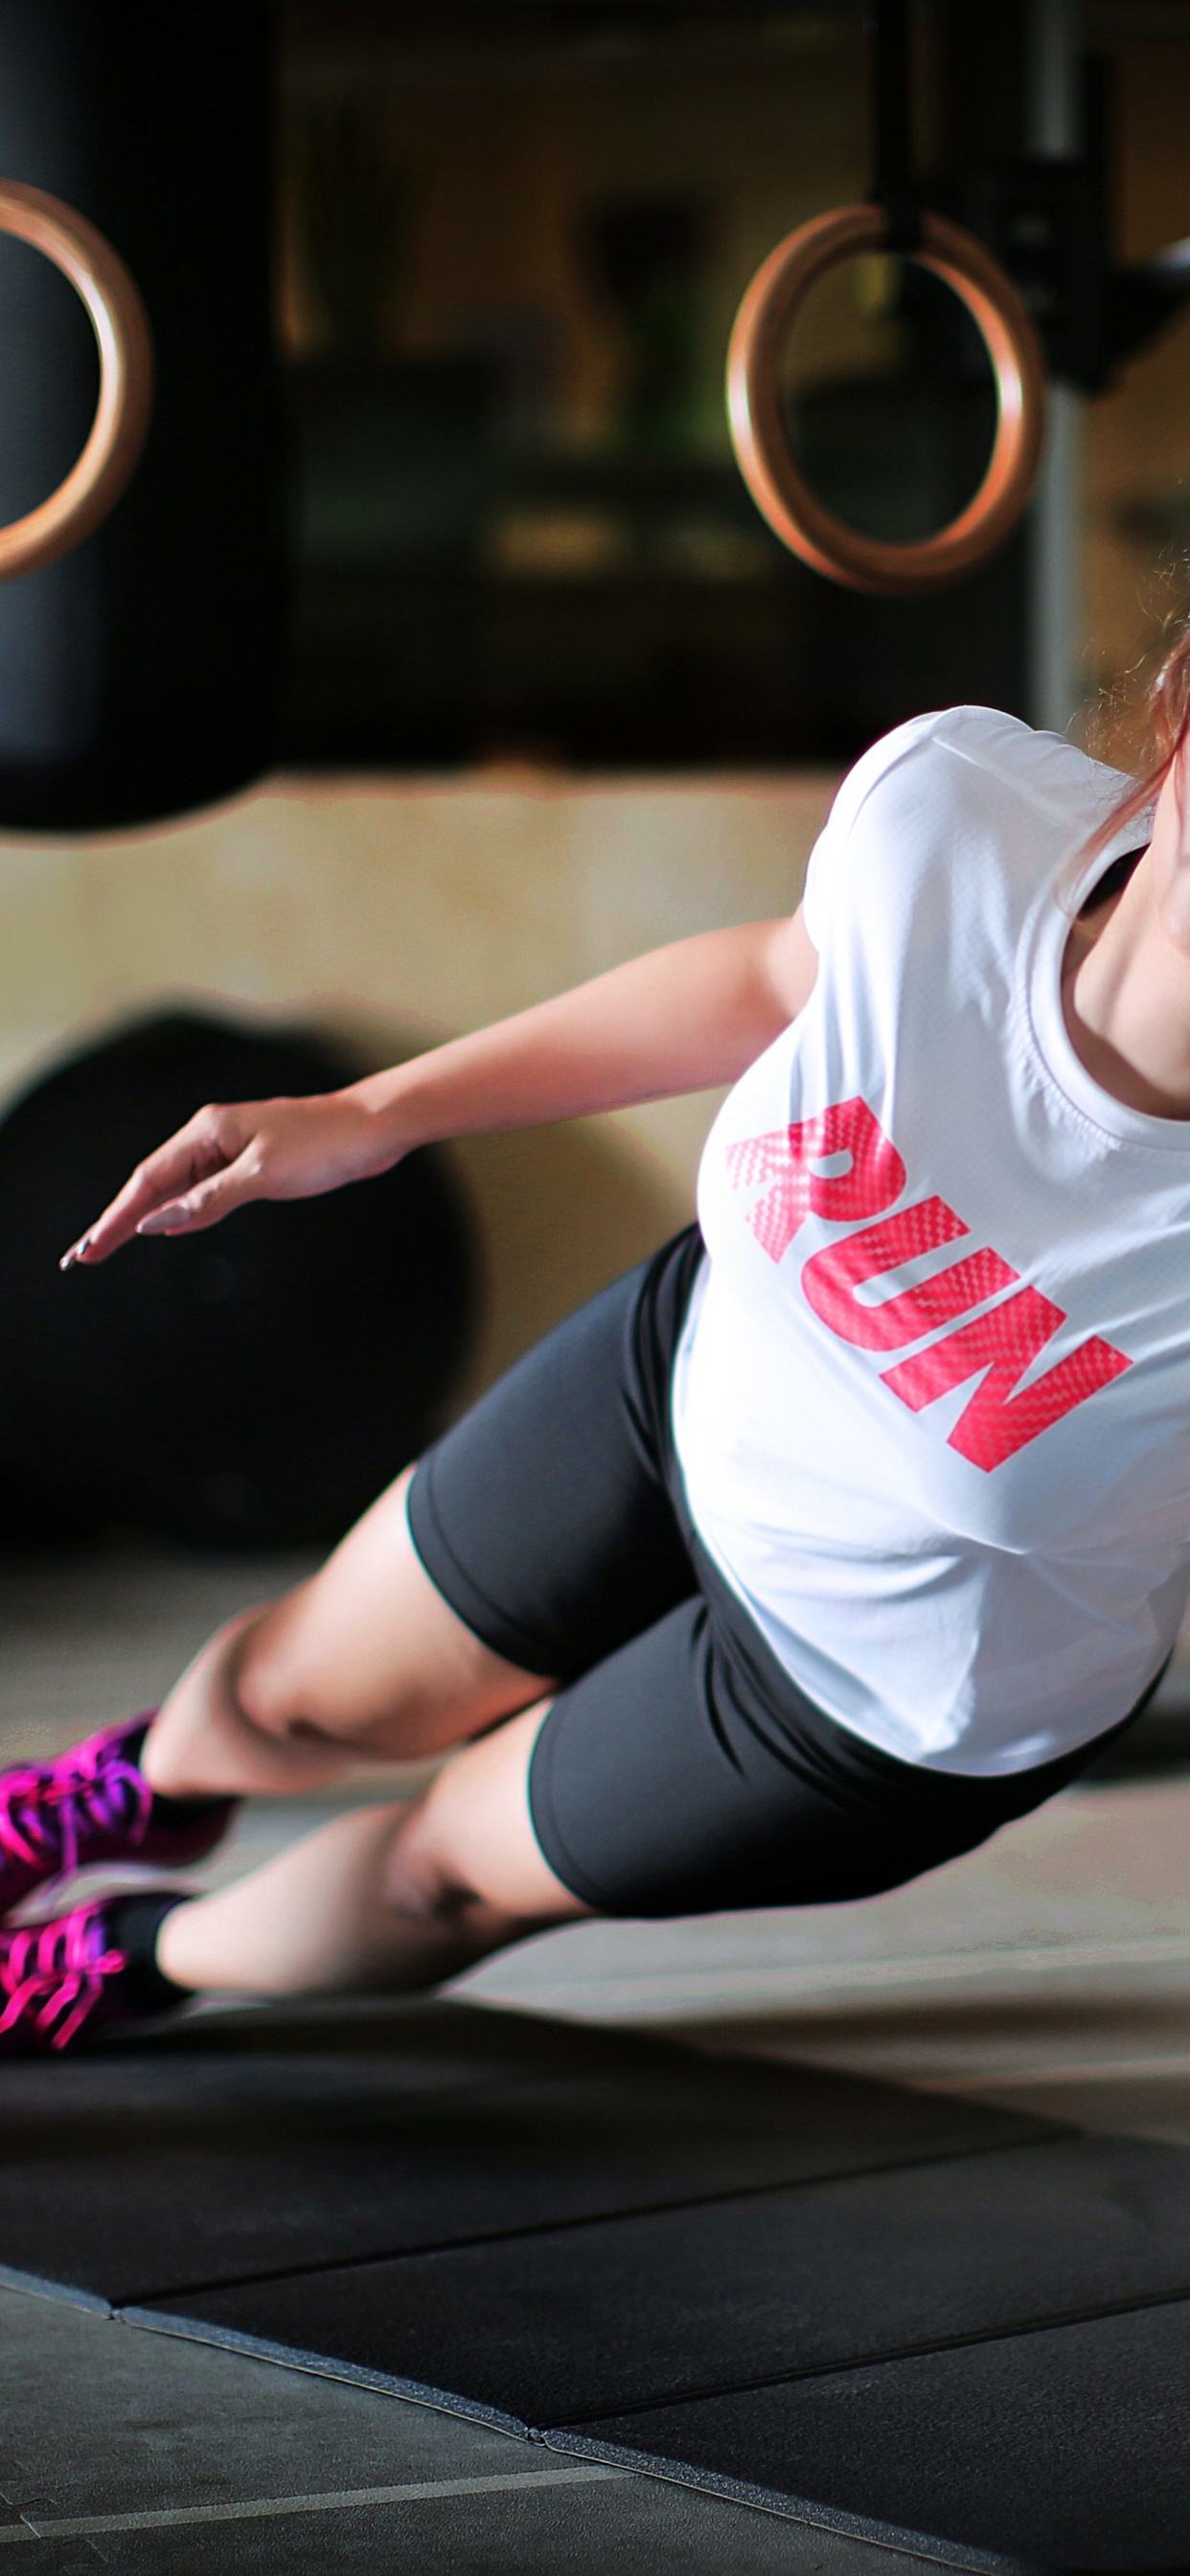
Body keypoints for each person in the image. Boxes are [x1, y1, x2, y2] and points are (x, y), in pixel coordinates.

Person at [2, 671, 1188, 2053]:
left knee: (437, 1871)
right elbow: (767, 977)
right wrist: (372, 1112)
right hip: (684, 1382)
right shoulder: (959, 815)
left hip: (871, 1684)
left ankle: (117, 1960)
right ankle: (115, 1788)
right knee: (281, 1691)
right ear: (1176, 703)